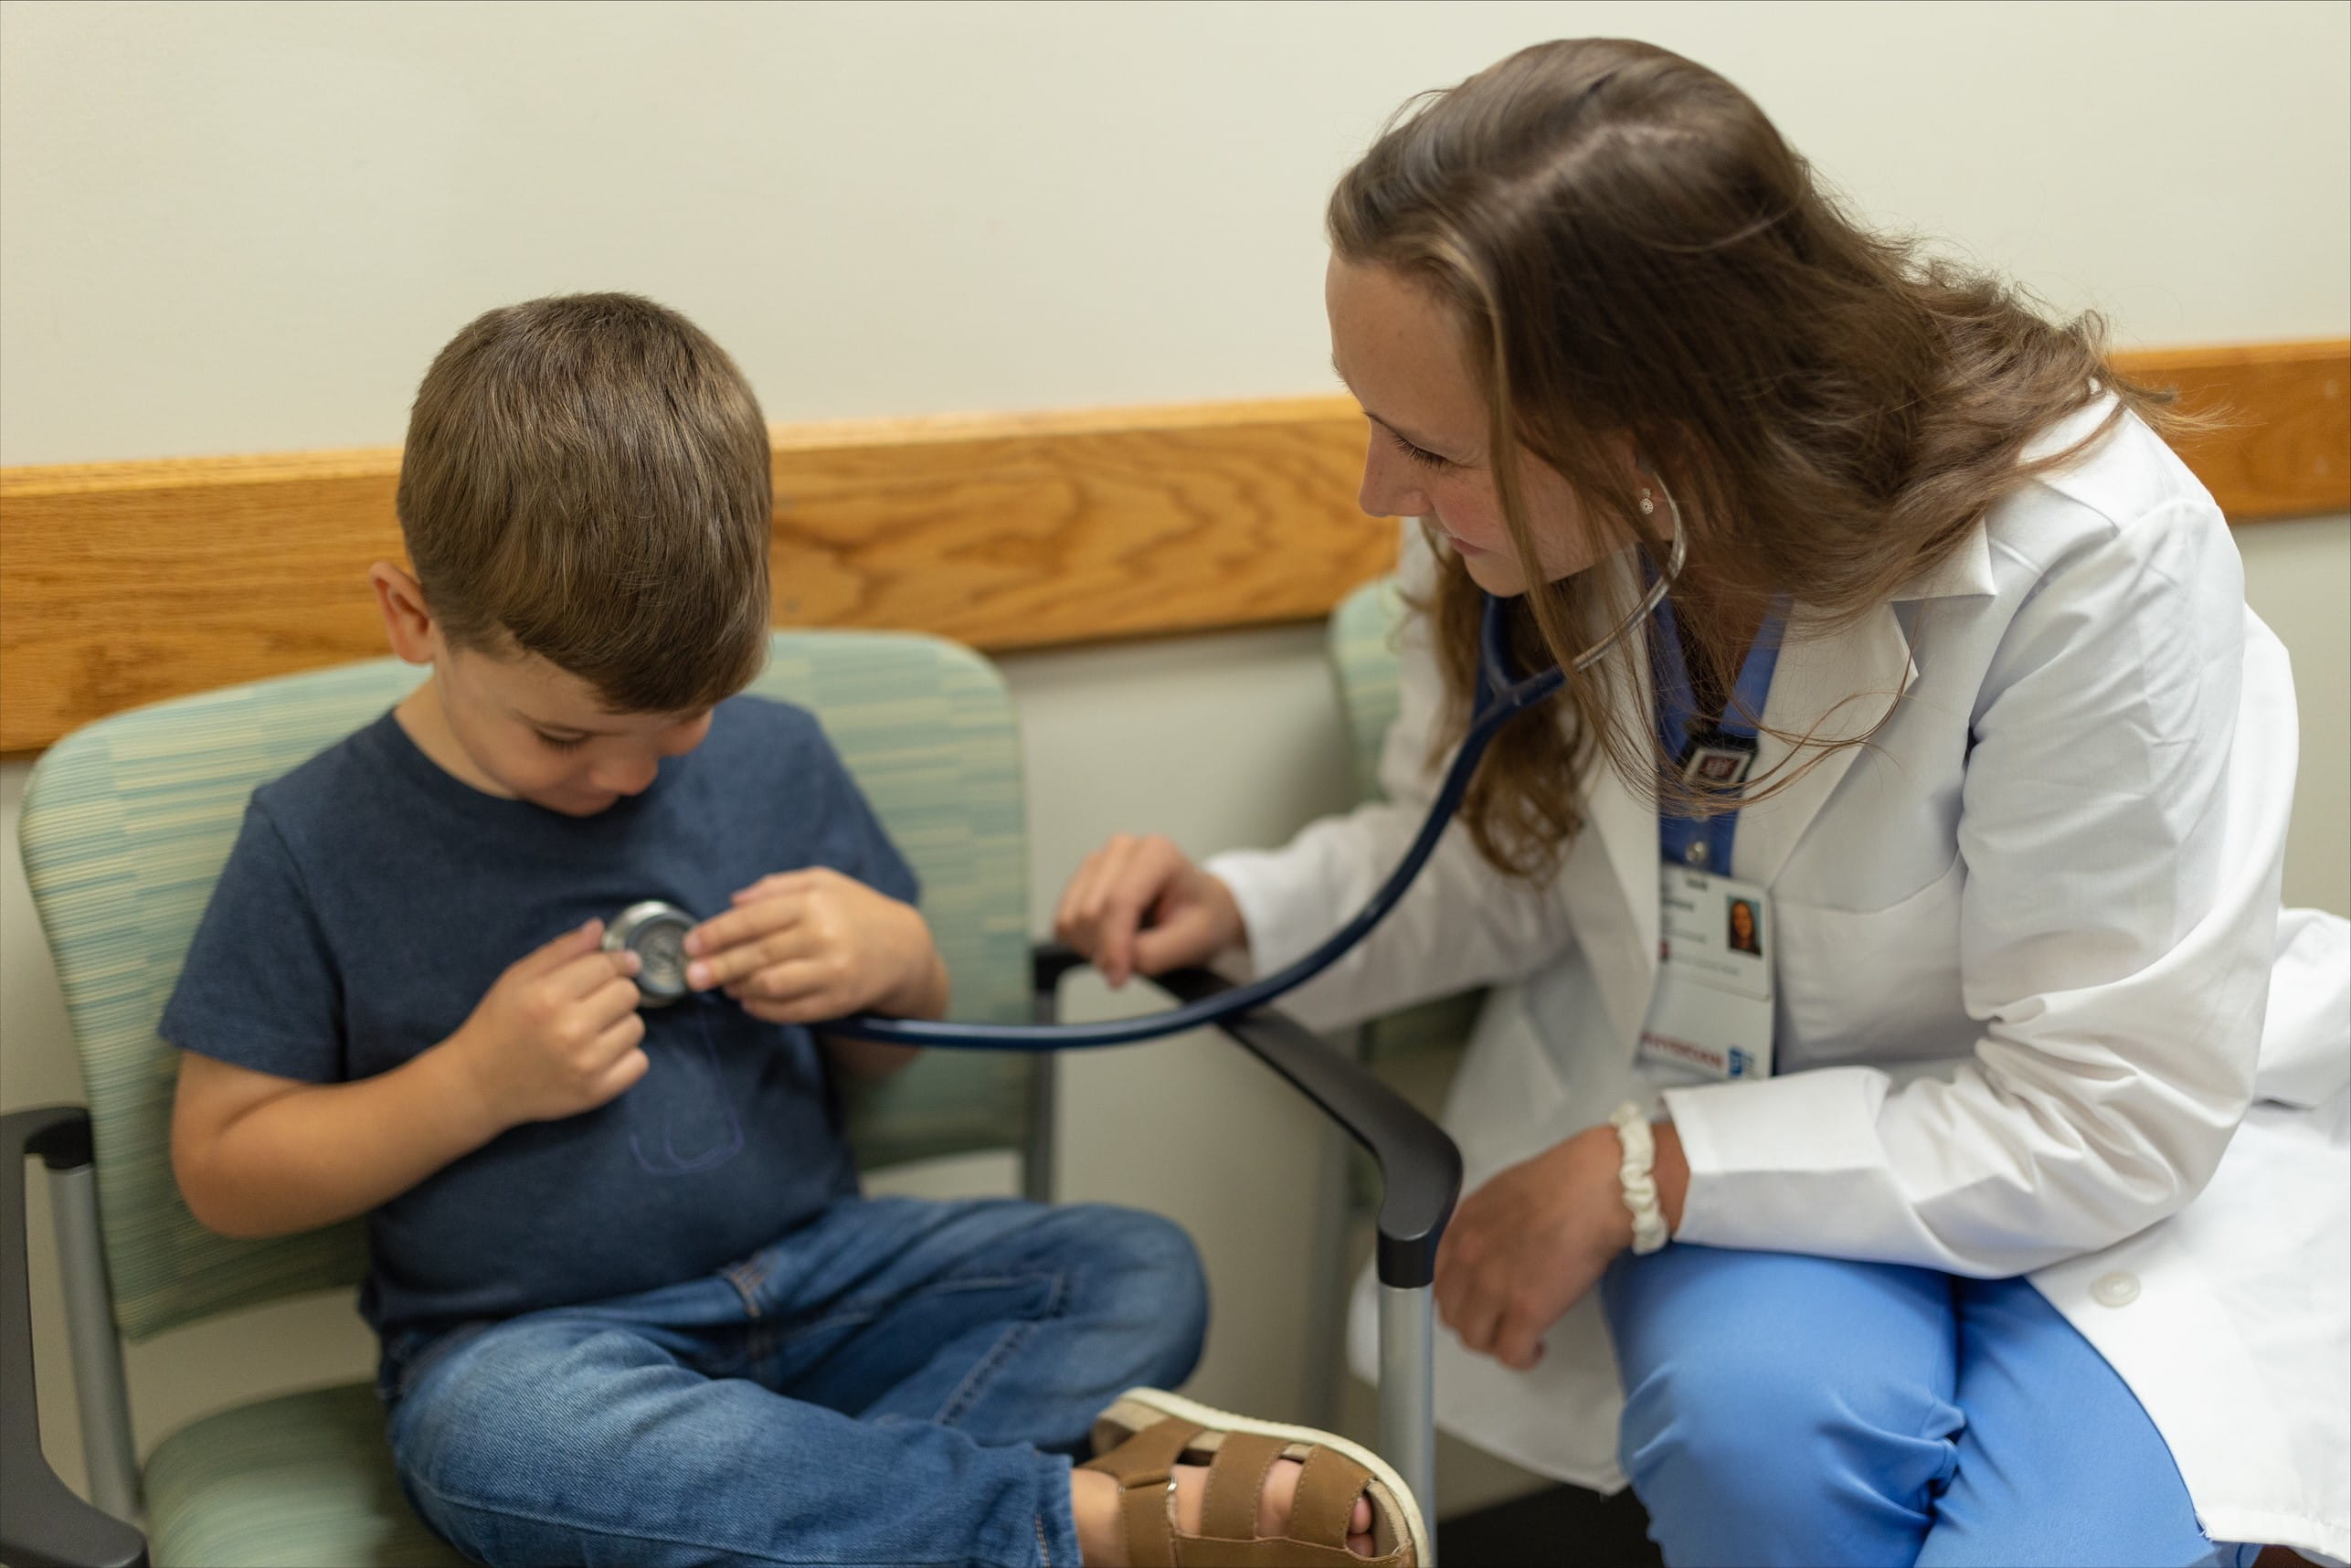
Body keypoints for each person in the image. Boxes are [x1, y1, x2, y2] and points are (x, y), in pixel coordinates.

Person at [1056, 40, 2348, 1568]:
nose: (1375, 493)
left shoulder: (2086, 557)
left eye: (1428, 448)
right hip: (1751, 1170)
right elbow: (1499, 864)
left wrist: (1635, 1174)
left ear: (1657, 425)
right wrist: (1249, 909)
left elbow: (2102, 1111)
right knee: (1755, 1445)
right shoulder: (1531, 535)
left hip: (2095, 1172)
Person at [164, 293, 1424, 1568]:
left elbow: (889, 1050)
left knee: (1132, 1269)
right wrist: (473, 1084)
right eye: (563, 736)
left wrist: (893, 962)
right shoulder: (318, 839)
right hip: (539, 1343)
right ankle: (1067, 1525)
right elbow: (223, 1167)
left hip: (828, 1281)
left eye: (687, 720)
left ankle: (803, 1525)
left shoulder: (783, 760)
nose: (632, 778)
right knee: (495, 1435)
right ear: (412, 620)